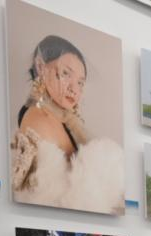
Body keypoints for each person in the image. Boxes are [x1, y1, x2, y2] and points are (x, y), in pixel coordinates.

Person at [10, 35, 123, 214]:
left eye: (80, 82)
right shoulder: (39, 121)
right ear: (41, 67)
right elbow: (45, 201)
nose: (74, 89)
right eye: (65, 74)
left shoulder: (60, 119)